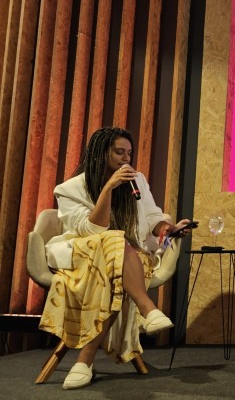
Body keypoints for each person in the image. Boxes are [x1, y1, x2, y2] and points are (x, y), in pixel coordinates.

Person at [39, 127, 193, 390]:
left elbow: (153, 216)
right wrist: (109, 188)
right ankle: (147, 308)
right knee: (113, 240)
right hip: (85, 256)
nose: (126, 159)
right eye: (119, 152)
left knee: (115, 269)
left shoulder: (137, 181)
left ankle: (84, 361)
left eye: (129, 153)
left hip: (128, 259)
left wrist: (166, 229)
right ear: (100, 153)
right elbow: (93, 230)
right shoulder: (69, 189)